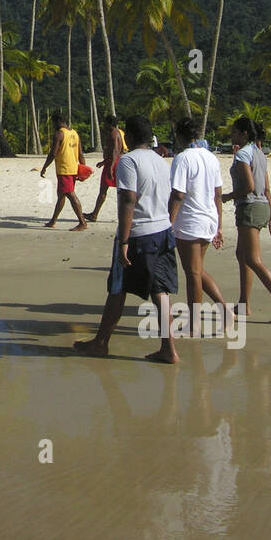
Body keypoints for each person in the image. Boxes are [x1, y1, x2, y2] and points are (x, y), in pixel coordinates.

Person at [74, 114, 180, 363]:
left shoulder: (128, 161)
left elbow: (128, 200)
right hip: (163, 231)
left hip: (138, 235)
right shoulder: (160, 161)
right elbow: (172, 196)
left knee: (118, 288)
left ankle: (101, 343)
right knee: (160, 291)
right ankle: (169, 349)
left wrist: (123, 241)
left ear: (129, 137)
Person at [222, 116, 271, 323]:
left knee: (253, 259)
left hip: (249, 207)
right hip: (262, 206)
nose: (232, 135)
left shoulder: (243, 155)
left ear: (244, 134)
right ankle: (243, 304)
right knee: (242, 254)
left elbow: (249, 187)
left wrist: (227, 197)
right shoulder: (259, 154)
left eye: (235, 132)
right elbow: (267, 188)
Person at [168, 117, 228, 337]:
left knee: (192, 272)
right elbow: (218, 193)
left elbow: (178, 194)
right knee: (197, 270)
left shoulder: (182, 159)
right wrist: (219, 225)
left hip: (191, 221)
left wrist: (169, 222)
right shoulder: (210, 157)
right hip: (208, 218)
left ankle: (194, 323)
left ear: (180, 135)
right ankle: (223, 309)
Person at [40, 111, 88, 230]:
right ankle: (53, 221)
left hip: (64, 169)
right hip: (73, 168)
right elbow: (80, 153)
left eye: (53, 123)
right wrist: (83, 168)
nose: (52, 126)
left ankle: (82, 222)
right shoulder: (74, 133)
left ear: (57, 122)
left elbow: (53, 153)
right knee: (61, 195)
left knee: (70, 194)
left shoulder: (59, 134)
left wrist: (45, 166)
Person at [86, 115, 125, 223]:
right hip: (112, 162)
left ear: (109, 123)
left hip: (114, 163)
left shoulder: (114, 134)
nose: (103, 125)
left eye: (105, 123)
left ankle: (94, 214)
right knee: (112, 189)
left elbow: (115, 151)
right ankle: (94, 214)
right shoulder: (115, 133)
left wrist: (111, 167)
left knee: (105, 189)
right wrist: (104, 162)